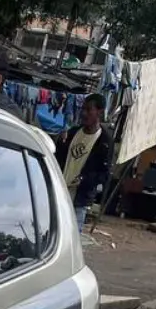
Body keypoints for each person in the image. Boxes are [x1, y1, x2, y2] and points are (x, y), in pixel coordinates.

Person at [56, 93, 114, 231]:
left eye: (89, 110)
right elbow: (58, 157)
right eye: (83, 109)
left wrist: (84, 179)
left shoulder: (104, 142)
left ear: (99, 112)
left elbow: (104, 174)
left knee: (72, 237)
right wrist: (60, 142)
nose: (83, 113)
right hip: (59, 192)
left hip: (79, 199)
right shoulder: (72, 133)